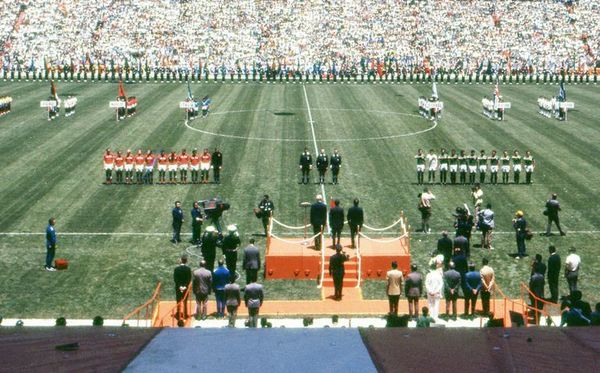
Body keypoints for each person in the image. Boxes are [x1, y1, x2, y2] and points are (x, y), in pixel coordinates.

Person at [173, 255, 192, 320]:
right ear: (186, 261)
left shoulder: (176, 269)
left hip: (178, 288)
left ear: (181, 260)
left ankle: (178, 315)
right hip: (185, 288)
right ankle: (185, 315)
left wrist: (180, 286)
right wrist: (185, 287)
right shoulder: (188, 269)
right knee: (185, 302)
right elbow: (189, 279)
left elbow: (175, 279)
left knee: (178, 301)